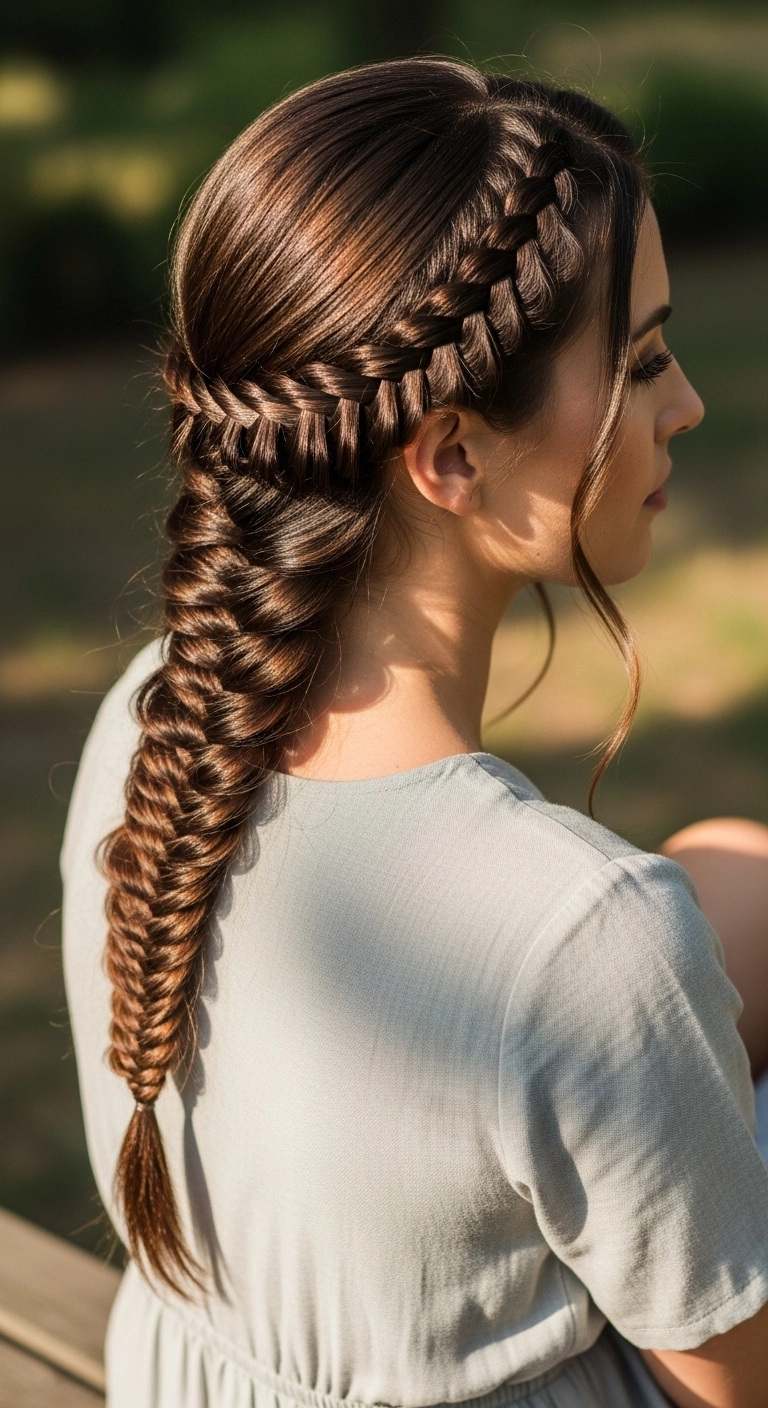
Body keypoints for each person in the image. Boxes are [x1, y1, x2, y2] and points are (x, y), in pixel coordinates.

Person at [60, 58, 768, 1408]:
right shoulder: (582, 936)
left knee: (742, 869)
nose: (684, 406)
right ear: (449, 454)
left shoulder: (161, 716)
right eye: (641, 361)